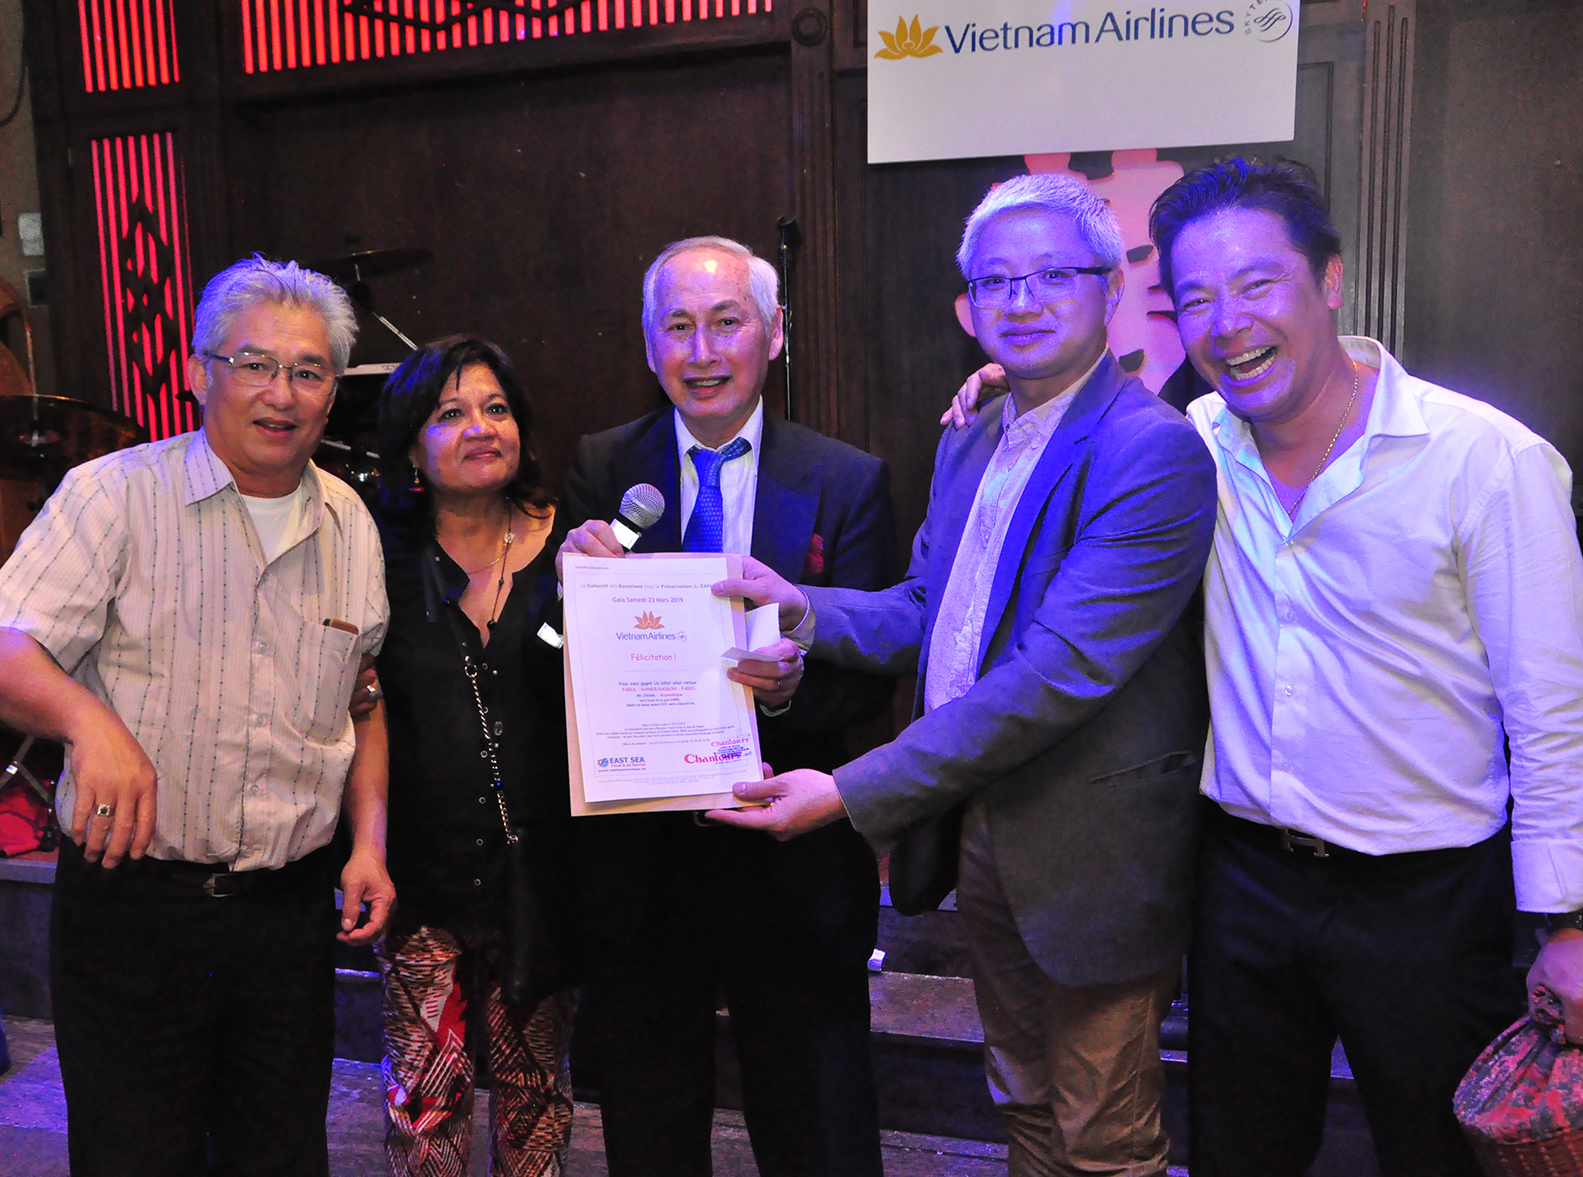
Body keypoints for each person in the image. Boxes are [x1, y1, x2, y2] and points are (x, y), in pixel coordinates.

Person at [945, 157, 1583, 1176]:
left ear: (1330, 279)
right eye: (1196, 300)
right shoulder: (1189, 447)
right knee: (1238, 1155)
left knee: (1434, 1156)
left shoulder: (1483, 459)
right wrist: (1017, 387)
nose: (1228, 324)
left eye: (1256, 285)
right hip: (1242, 884)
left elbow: (1556, 709)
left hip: (1426, 898)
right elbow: (1077, 434)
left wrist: (1579, 924)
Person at [714, 177, 1216, 1177]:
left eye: (1052, 275)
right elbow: (928, 607)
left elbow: (1056, 674)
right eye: (996, 282)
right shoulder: (974, 431)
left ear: (1110, 287)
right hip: (985, 829)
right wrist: (800, 604)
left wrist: (848, 791)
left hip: (1090, 854)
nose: (1021, 302)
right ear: (967, 305)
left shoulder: (1150, 451)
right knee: (1022, 1102)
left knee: (1103, 1136)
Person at [0, 256, 392, 1176]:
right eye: (254, 363)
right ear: (199, 371)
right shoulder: (112, 495)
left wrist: (369, 842)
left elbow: (362, 696)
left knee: (282, 1156)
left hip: (286, 917)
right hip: (137, 911)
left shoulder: (351, 520)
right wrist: (91, 723)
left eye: (308, 371)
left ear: (332, 392)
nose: (281, 393)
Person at [556, 235, 897, 1177]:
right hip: (642, 860)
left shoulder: (846, 478)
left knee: (817, 1124)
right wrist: (566, 591)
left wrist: (790, 687)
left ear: (774, 333)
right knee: (651, 1128)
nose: (702, 351)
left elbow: (876, 670)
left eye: (726, 322)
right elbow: (552, 655)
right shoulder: (605, 466)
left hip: (791, 854)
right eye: (678, 326)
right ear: (648, 343)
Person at [366, 335, 575, 1176]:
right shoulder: (373, 555)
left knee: (536, 1106)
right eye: (450, 413)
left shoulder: (578, 546)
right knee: (425, 1109)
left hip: (546, 876)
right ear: (413, 445)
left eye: (496, 408)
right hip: (422, 878)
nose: (480, 427)